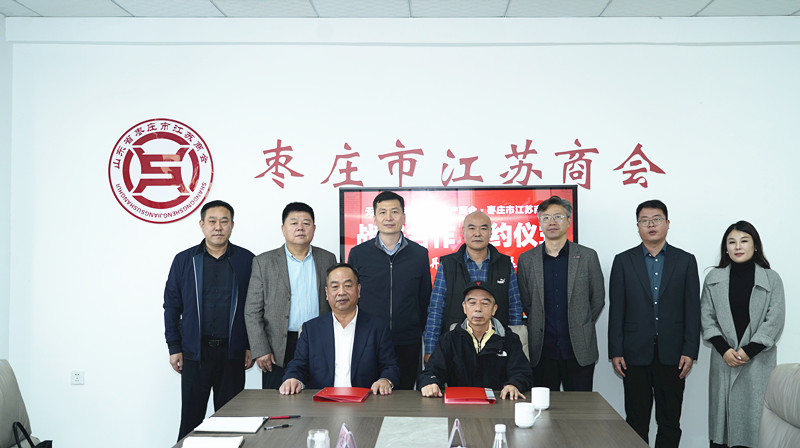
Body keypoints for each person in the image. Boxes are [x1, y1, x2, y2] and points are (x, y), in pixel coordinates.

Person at [608, 199, 700, 448]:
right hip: (634, 353)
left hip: (674, 355)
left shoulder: (686, 261)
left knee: (669, 420)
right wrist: (616, 350)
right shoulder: (623, 261)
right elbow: (616, 310)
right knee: (636, 420)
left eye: (656, 219)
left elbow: (693, 310)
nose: (651, 225)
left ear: (667, 223)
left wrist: (690, 350)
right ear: (637, 226)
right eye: (645, 221)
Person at [162, 200, 255, 441]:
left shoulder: (246, 260)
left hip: (232, 354)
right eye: (212, 221)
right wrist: (174, 347)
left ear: (232, 225)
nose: (218, 227)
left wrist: (250, 345)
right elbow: (171, 305)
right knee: (191, 422)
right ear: (202, 225)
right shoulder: (185, 260)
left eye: (224, 221)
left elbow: (255, 308)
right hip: (195, 354)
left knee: (232, 424)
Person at [701, 221, 785, 448]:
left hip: (758, 364)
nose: (738, 246)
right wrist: (725, 350)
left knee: (755, 428)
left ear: (755, 245)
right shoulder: (713, 278)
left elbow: (775, 320)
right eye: (732, 242)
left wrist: (748, 351)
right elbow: (707, 318)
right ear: (726, 248)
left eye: (744, 240)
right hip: (723, 361)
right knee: (721, 431)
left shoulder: (771, 278)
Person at [244, 202, 337, 389]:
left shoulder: (328, 259)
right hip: (278, 346)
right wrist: (260, 349)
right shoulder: (264, 262)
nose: (300, 228)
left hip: (319, 340)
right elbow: (252, 311)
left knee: (318, 395)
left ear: (314, 228)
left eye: (306, 223)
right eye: (294, 223)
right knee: (278, 400)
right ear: (283, 229)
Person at [517, 195, 605, 391]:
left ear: (569, 221)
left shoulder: (587, 256)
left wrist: (581, 322)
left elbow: (597, 299)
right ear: (540, 223)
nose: (552, 222)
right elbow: (526, 301)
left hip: (578, 348)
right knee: (543, 407)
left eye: (558, 216)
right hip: (542, 350)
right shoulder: (526, 259)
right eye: (546, 217)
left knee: (580, 407)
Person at [347, 191, 432, 389]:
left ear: (403, 217)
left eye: (394, 212)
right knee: (366, 393)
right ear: (374, 218)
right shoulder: (359, 254)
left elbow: (424, 298)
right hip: (368, 339)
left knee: (403, 396)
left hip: (407, 341)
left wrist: (417, 329)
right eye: (382, 212)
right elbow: (352, 298)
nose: (389, 217)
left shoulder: (419, 254)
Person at [279, 263, 400, 395]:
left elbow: (390, 366)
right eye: (335, 287)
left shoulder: (377, 328)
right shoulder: (311, 329)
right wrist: (292, 379)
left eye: (348, 285)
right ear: (327, 293)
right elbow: (298, 365)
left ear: (358, 290)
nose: (341, 292)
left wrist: (385, 380)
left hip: (365, 401)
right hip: (322, 401)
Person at [422, 211, 523, 363]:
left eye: (483, 228)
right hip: (456, 345)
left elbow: (515, 307)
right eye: (471, 228)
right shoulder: (448, 265)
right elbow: (436, 309)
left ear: (491, 232)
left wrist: (516, 346)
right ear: (463, 232)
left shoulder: (504, 263)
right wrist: (431, 349)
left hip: (497, 344)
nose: (477, 233)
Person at [419, 282, 532, 400]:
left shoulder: (509, 340)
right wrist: (430, 382)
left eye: (485, 303)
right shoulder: (449, 339)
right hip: (459, 404)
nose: (478, 309)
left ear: (494, 309)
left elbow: (522, 373)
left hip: (498, 404)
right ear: (464, 307)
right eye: (472, 303)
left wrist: (514, 384)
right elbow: (431, 371)